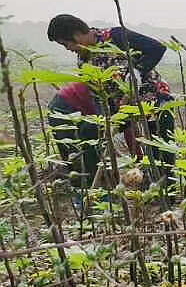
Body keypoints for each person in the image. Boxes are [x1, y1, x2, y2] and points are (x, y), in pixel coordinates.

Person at [46, 14, 176, 182]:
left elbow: (157, 48)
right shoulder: (83, 60)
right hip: (123, 107)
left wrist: (137, 70)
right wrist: (107, 122)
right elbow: (97, 95)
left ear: (77, 33)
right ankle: (99, 185)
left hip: (154, 98)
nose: (68, 49)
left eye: (66, 43)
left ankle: (166, 192)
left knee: (161, 148)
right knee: (88, 130)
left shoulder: (115, 36)